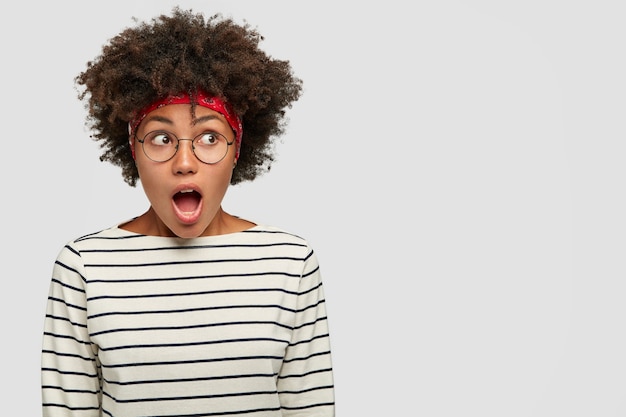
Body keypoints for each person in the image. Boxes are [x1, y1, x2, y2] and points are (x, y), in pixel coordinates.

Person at [41, 8, 335, 417]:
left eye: (210, 137)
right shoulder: (84, 267)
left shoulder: (291, 262)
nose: (184, 162)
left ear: (237, 148)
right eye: (161, 138)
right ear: (132, 148)